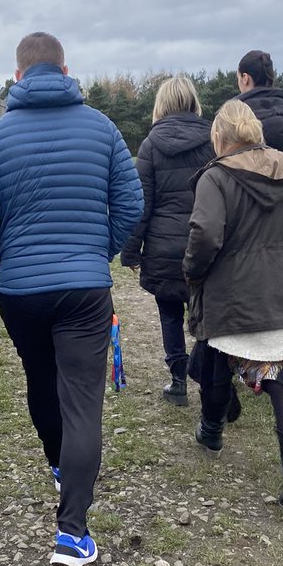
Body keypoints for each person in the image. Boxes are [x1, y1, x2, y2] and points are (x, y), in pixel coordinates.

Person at [0, 31, 143, 566]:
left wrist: (6, 258)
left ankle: (60, 466)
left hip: (21, 290)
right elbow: (131, 205)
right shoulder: (103, 129)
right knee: (82, 399)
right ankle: (73, 532)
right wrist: (99, 251)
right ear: (67, 71)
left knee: (41, 382)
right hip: (84, 288)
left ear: (16, 77)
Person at [183, 99, 283, 521]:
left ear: (220, 137)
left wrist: (193, 272)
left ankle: (212, 435)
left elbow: (206, 233)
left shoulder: (215, 177)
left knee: (214, 367)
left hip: (233, 298)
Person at [119, 76, 214, 406]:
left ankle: (178, 380)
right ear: (192, 102)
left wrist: (131, 250)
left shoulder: (150, 145)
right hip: (205, 242)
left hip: (163, 247)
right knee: (208, 315)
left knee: (170, 314)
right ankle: (211, 377)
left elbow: (140, 204)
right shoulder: (213, 140)